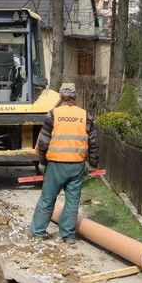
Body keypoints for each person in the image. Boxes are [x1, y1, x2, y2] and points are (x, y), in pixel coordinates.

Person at [28, 83, 99, 245]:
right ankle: (68, 236)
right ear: (75, 97)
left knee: (47, 199)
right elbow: (93, 143)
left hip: (56, 164)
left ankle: (37, 232)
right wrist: (93, 164)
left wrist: (42, 162)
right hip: (77, 165)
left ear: (60, 97)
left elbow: (44, 140)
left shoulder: (53, 115)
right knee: (72, 201)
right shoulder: (85, 116)